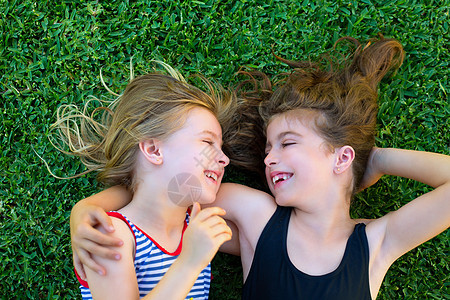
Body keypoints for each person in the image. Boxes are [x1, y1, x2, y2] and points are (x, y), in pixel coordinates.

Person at [69, 37, 450, 299]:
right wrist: (87, 210)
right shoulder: (254, 217)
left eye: (287, 143)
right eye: (267, 147)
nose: (268, 158)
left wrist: (375, 158)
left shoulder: (376, 243)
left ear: (342, 157)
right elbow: (161, 191)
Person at [51, 62, 239, 299]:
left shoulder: (195, 227)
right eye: (207, 143)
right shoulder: (111, 235)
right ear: (154, 150)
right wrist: (190, 262)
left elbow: (267, 240)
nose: (224, 159)